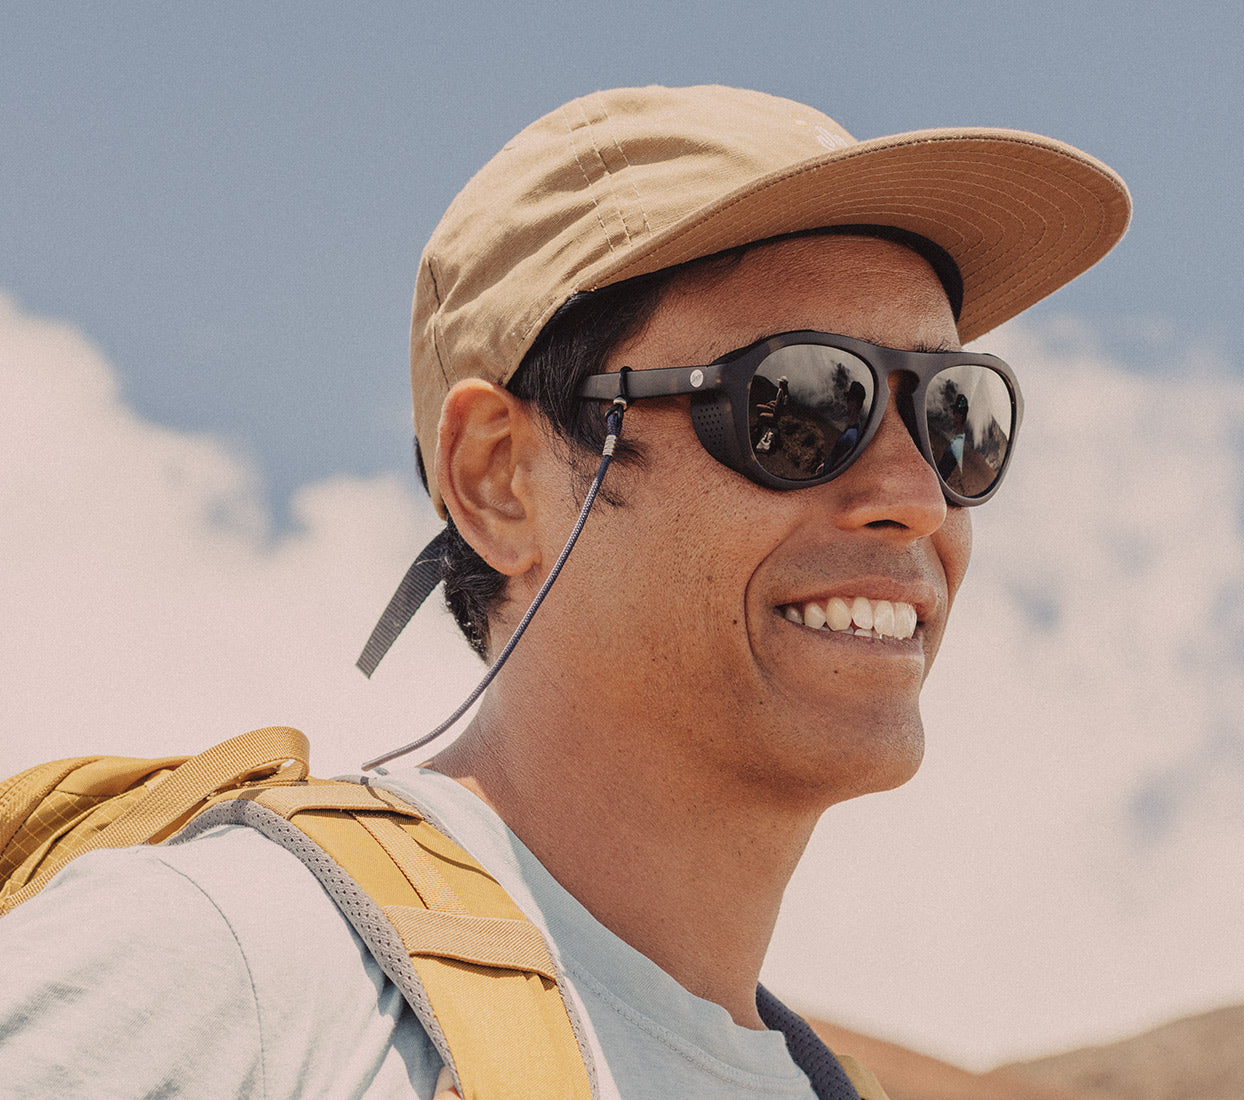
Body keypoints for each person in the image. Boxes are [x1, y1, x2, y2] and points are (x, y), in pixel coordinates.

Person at [0, 84, 1129, 1098]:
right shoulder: (229, 964)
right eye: (799, 405)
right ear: (500, 478)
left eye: (952, 417)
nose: (914, 495)